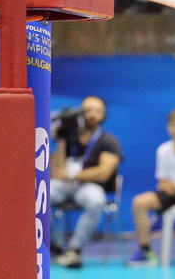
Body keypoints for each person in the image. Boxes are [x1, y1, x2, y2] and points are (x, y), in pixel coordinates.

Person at [50, 96, 123, 269]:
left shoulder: (108, 141)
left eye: (97, 111)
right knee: (39, 194)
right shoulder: (69, 138)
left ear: (103, 115)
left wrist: (74, 176)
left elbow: (103, 173)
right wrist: (61, 139)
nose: (92, 115)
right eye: (88, 110)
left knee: (96, 200)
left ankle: (75, 249)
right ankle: (53, 244)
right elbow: (56, 171)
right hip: (64, 186)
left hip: (88, 187)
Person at [129, 109, 175, 269]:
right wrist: (171, 187)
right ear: (168, 128)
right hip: (168, 194)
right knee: (139, 202)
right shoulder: (163, 150)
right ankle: (145, 250)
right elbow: (162, 182)